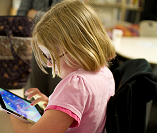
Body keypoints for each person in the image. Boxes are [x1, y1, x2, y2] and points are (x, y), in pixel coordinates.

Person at [10, 0, 116, 133]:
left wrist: (13, 113)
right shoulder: (105, 73)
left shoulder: (75, 84)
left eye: (51, 57)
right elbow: (87, 114)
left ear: (76, 49)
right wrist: (54, 104)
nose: (49, 64)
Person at [17, 0, 63, 97]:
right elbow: (21, 16)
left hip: (61, 48)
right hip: (37, 45)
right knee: (36, 94)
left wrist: (35, 14)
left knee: (58, 94)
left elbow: (64, 20)